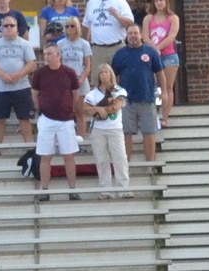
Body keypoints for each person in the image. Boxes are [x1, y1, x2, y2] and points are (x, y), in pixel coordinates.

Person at [28, 43, 83, 197]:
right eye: (45, 54)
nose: (46, 57)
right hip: (46, 119)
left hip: (65, 120)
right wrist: (41, 108)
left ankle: (73, 189)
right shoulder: (40, 73)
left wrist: (68, 107)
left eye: (50, 53)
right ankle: (45, 190)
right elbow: (35, 93)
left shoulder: (69, 72)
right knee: (45, 156)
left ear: (58, 55)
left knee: (69, 155)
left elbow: (76, 93)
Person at [112, 22, 163, 165]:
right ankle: (126, 165)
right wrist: (116, 95)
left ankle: (150, 165)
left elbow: (159, 73)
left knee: (148, 133)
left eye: (135, 33)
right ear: (126, 36)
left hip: (147, 99)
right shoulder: (120, 54)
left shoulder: (150, 52)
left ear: (141, 35)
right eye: (130, 33)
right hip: (126, 101)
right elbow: (113, 76)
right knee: (126, 134)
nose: (133, 36)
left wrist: (164, 91)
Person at [0, 12, 37, 151]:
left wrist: (18, 75)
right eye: (5, 26)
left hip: (21, 87)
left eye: (11, 25)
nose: (8, 28)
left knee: (24, 119)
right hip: (1, 88)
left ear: (17, 28)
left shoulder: (25, 44)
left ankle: (29, 148)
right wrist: (2, 75)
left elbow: (31, 63)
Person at [82, 64, 128, 193]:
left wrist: (103, 110)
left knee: (120, 158)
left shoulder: (119, 91)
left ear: (111, 74)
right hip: (98, 130)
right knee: (101, 160)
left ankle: (123, 188)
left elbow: (117, 106)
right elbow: (85, 109)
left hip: (115, 129)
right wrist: (96, 109)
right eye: (101, 73)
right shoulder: (92, 94)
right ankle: (105, 189)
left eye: (106, 72)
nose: (104, 75)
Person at [144, 0, 180, 116]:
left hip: (169, 56)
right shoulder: (149, 18)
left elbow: (172, 36)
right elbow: (145, 36)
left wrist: (159, 48)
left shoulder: (173, 18)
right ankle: (152, 114)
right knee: (152, 85)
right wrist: (154, 50)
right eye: (156, 1)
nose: (159, 3)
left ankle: (165, 116)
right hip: (152, 56)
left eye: (161, 0)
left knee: (168, 87)